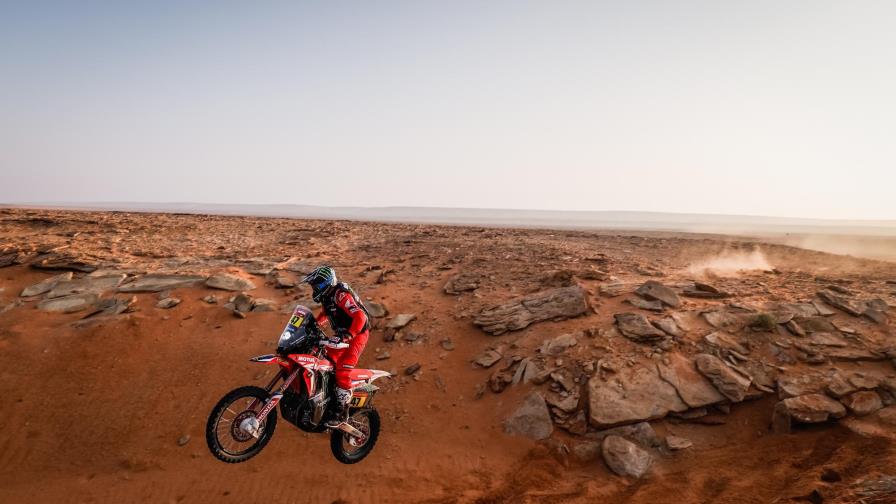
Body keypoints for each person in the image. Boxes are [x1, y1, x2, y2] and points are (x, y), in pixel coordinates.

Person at [301, 265, 370, 426]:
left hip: (357, 334)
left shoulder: (340, 295)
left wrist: (349, 335)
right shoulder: (328, 297)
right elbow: (325, 315)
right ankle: (327, 399)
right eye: (313, 286)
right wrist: (312, 326)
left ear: (326, 283)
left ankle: (342, 411)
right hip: (342, 336)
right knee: (325, 364)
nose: (314, 289)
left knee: (343, 370)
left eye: (316, 285)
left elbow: (360, 316)